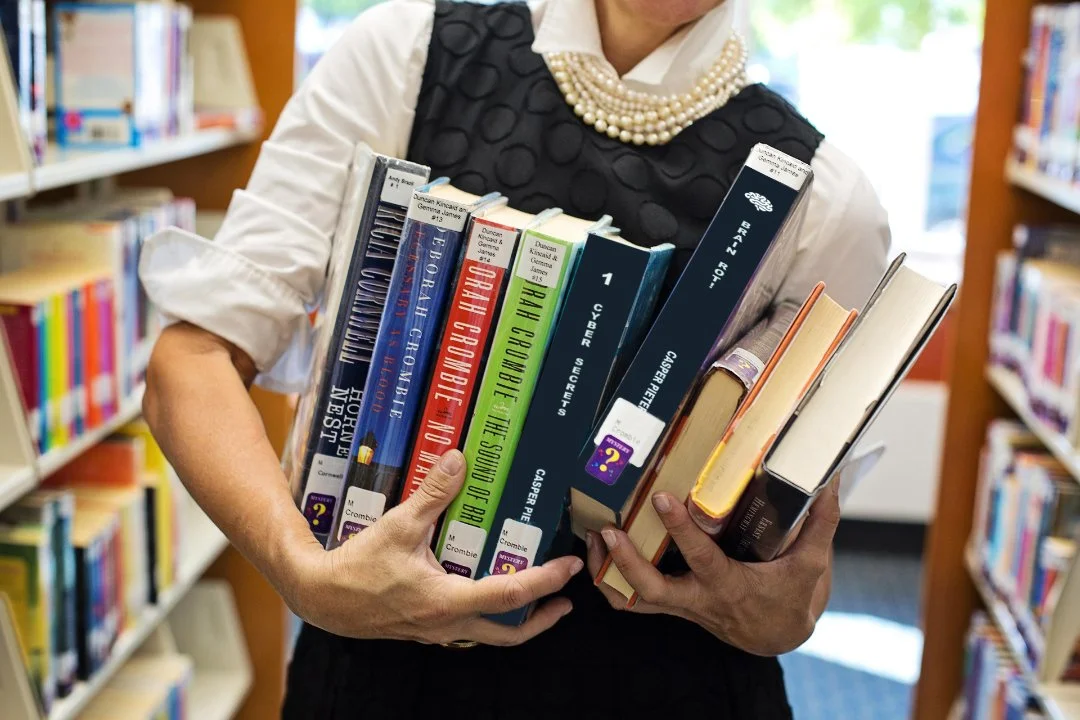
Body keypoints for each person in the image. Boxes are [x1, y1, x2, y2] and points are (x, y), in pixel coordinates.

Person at [139, 0, 891, 716]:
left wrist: (778, 615)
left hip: (664, 689)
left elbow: (792, 567)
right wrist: (300, 573)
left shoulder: (827, 202)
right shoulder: (406, 51)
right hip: (382, 675)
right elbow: (192, 362)